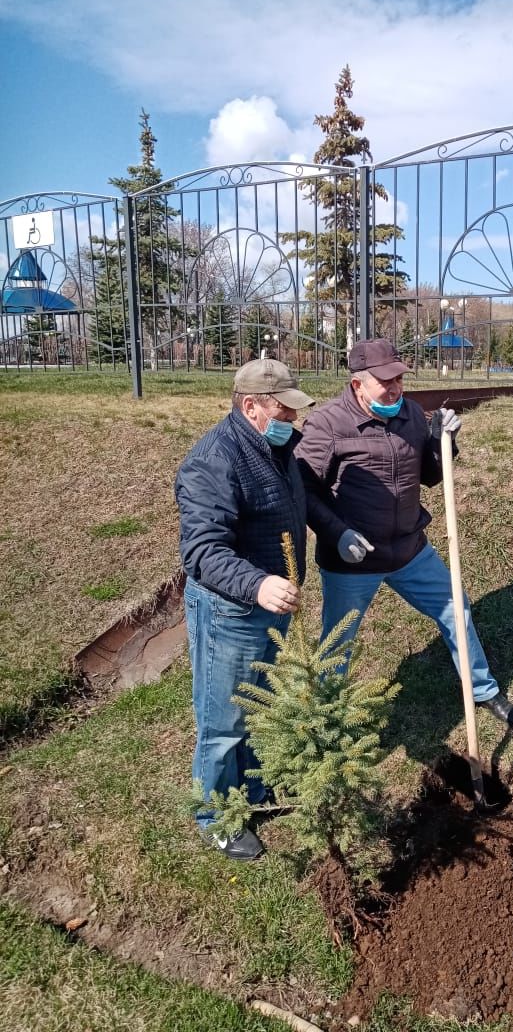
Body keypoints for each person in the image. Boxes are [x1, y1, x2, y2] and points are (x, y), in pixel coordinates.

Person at [294, 338, 513, 727]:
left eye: (399, 379)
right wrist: (338, 533)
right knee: (338, 642)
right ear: (357, 385)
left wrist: (440, 440)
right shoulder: (328, 424)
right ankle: (325, 722)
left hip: (409, 551)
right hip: (352, 561)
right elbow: (303, 490)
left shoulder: (411, 415)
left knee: (455, 607)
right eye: (385, 382)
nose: (395, 388)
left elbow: (433, 477)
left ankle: (481, 689)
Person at [175, 359, 314, 861]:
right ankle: (214, 815)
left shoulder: (276, 448)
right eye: (284, 410)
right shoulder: (214, 460)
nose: (292, 421)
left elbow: (301, 503)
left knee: (256, 706)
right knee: (223, 719)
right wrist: (257, 584)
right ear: (250, 406)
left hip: (271, 601)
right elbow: (202, 552)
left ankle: (253, 792)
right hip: (231, 610)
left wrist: (337, 531)